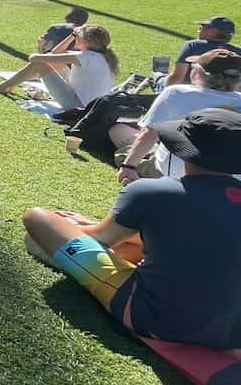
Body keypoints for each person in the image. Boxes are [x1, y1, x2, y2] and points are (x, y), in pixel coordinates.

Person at [22, 108, 241, 350]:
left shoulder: (151, 191)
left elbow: (99, 238)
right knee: (137, 244)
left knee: (38, 218)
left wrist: (77, 225)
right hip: (232, 334)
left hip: (156, 319)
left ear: (183, 149)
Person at [110, 49, 241, 183]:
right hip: (231, 180)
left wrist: (128, 166)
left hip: (173, 173)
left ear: (198, 73)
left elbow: (149, 135)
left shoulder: (177, 93)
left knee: (118, 130)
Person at [0, 24, 118, 110]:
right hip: (90, 106)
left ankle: (5, 86)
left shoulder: (85, 57)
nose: (76, 38)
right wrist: (72, 35)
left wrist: (39, 53)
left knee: (39, 64)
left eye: (78, 36)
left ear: (87, 41)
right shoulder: (100, 56)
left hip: (77, 106)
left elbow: (35, 58)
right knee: (54, 62)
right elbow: (55, 54)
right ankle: (9, 85)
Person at [165, 16, 240, 86]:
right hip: (226, 95)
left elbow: (177, 77)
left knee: (159, 77)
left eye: (202, 28)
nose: (198, 31)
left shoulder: (193, 45)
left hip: (191, 93)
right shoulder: (237, 51)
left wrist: (167, 94)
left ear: (213, 31)